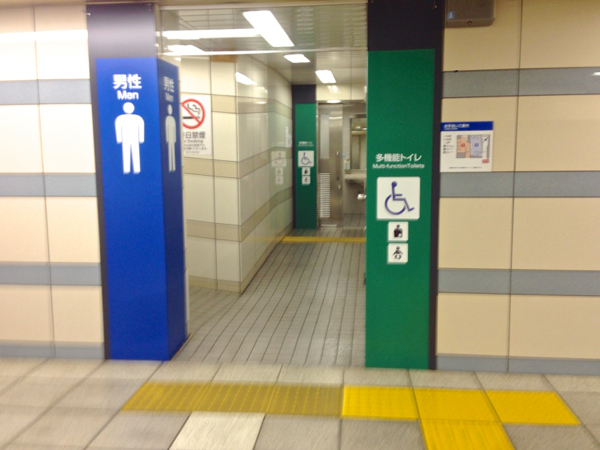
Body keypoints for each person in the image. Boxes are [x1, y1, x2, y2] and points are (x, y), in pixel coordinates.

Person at [115, 102, 144, 174]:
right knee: (127, 153)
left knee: (133, 153)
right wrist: (119, 139)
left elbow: (141, 128)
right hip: (128, 138)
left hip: (132, 138)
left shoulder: (138, 118)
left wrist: (141, 139)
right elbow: (118, 129)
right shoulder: (120, 118)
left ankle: (134, 169)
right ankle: (128, 169)